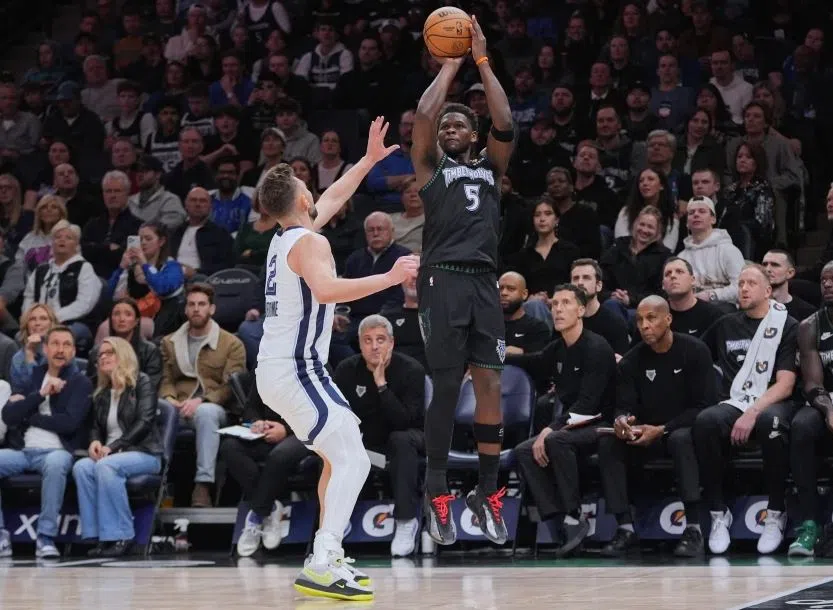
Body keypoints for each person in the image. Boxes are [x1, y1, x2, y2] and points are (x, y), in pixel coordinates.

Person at [255, 117, 417, 601]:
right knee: (355, 459)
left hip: (287, 369)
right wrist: (389, 279)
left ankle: (327, 553)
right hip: (296, 369)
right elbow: (327, 290)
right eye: (310, 189)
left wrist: (367, 161)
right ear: (301, 200)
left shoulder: (288, 236)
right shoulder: (311, 242)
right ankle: (324, 557)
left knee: (338, 454)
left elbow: (330, 200)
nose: (316, 194)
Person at [411, 16, 515, 546]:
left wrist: (481, 59)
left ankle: (488, 491)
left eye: (459, 126)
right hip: (443, 280)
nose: (450, 130)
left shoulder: (490, 170)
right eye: (447, 127)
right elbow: (424, 116)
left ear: (473, 136)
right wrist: (449, 63)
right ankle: (437, 489)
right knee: (449, 385)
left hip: (484, 283)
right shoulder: (431, 168)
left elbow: (507, 123)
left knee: (490, 382)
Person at [598, 296, 716, 558]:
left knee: (680, 439)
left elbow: (705, 406)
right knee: (608, 443)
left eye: (651, 318)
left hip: (682, 431)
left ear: (668, 319)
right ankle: (625, 528)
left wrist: (663, 428)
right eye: (639, 320)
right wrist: (623, 421)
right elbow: (624, 405)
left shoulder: (694, 351)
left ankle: (693, 528)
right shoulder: (631, 360)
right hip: (645, 435)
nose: (644, 325)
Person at [694, 264, 799, 555]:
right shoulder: (725, 324)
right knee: (705, 422)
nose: (743, 288)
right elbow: (694, 355)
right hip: (735, 400)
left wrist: (751, 413)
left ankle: (776, 512)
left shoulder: (787, 325)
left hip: (774, 401)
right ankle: (718, 512)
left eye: (751, 283)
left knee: (770, 421)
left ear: (768, 291)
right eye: (740, 283)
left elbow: (786, 384)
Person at [510, 284, 616, 556]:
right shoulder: (557, 348)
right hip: (574, 425)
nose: (558, 309)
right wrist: (492, 359)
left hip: (605, 423)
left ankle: (573, 515)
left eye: (566, 303)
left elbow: (589, 406)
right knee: (524, 450)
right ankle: (557, 523)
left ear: (581, 310)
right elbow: (532, 362)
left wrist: (549, 429)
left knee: (555, 440)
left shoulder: (597, 347)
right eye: (554, 304)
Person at [333, 315, 426, 558]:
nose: (374, 346)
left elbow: (405, 420)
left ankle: (406, 522)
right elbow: (338, 413)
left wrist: (381, 384)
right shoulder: (346, 370)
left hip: (408, 437)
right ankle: (334, 523)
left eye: (380, 340)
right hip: (366, 441)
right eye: (368, 340)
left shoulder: (411, 370)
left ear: (391, 343)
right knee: (329, 444)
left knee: (400, 439)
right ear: (360, 344)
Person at [0, 326, 93, 558]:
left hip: (57, 450)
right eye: (55, 344)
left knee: (55, 465)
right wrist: (41, 394)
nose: (60, 350)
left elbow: (69, 423)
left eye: (66, 345)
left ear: (73, 351)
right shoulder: (33, 376)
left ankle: (45, 537)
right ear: (45, 348)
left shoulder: (80, 382)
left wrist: (30, 414)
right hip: (24, 450)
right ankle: (1, 535)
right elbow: (9, 416)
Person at [72, 337, 162, 557]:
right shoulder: (102, 392)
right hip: (111, 453)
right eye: (100, 354)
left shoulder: (142, 382)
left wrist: (114, 446)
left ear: (123, 355)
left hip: (144, 453)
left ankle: (122, 535)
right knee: (82, 467)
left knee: (106, 467)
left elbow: (145, 421)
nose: (103, 357)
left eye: (109, 352)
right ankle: (99, 536)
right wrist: (95, 442)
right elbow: (95, 426)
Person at [159, 283, 246, 508]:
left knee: (206, 413)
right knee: (160, 412)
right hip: (177, 405)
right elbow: (165, 379)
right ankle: (158, 484)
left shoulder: (231, 344)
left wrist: (202, 400)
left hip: (216, 408)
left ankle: (203, 485)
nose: (196, 309)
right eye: (192, 304)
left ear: (212, 309)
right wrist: (170, 401)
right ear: (185, 310)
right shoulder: (169, 343)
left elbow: (230, 386)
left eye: (202, 304)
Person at [222, 382, 309, 558]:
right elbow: (251, 406)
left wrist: (286, 429)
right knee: (229, 447)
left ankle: (255, 517)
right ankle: (268, 508)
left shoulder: (314, 362)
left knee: (279, 455)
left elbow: (319, 411)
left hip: (303, 434)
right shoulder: (265, 364)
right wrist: (256, 422)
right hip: (266, 433)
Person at [789, 262, 833, 556]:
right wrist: (829, 409)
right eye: (823, 280)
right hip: (824, 400)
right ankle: (809, 523)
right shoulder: (810, 326)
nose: (827, 284)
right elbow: (813, 384)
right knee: (801, 426)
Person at [87, 298, 163, 391]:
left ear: (136, 321)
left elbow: (150, 387)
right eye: (117, 314)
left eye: (128, 314)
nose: (121, 319)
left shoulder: (150, 351)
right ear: (111, 320)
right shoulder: (97, 352)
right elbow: (91, 386)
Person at [569, 259, 631, 357]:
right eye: (575, 278)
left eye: (586, 278)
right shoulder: (565, 321)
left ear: (598, 286)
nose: (580, 283)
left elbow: (621, 364)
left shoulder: (615, 323)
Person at [661, 257, 723, 338]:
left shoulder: (714, 316)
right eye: (668, 273)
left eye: (679, 271)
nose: (672, 276)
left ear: (693, 280)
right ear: (663, 285)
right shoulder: (658, 317)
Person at [498, 272, 551, 355]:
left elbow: (538, 360)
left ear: (524, 294)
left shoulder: (537, 328)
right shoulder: (487, 327)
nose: (503, 293)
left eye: (511, 289)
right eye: (500, 288)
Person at [761, 249, 815, 322]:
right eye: (764, 264)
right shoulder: (751, 306)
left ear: (790, 273)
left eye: (775, 265)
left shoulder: (807, 312)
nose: (768, 269)